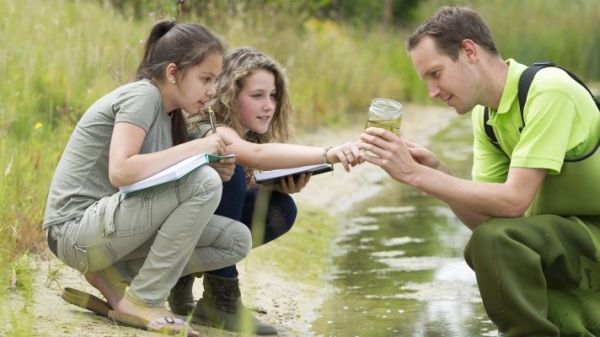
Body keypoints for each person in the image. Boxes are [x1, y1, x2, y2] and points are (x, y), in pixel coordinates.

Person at [359, 6, 600, 337]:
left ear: (469, 51)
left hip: (590, 237)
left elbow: (514, 202)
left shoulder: (549, 90)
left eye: (435, 73)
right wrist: (435, 172)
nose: (432, 92)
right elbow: (490, 225)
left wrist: (416, 176)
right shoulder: (485, 117)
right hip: (565, 240)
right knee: (491, 239)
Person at [43, 21, 253, 336]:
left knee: (236, 239)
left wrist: (206, 164)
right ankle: (144, 299)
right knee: (204, 184)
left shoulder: (170, 115)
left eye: (215, 80)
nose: (212, 90)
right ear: (172, 72)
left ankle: (113, 279)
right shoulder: (143, 96)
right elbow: (122, 170)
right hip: (74, 231)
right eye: (205, 79)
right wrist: (197, 150)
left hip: (109, 229)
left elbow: (153, 184)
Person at [168, 46, 363, 335]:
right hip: (165, 234)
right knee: (230, 171)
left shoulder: (242, 132)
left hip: (193, 229)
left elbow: (235, 189)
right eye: (257, 96)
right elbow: (255, 156)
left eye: (273, 96)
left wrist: (273, 184)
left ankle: (189, 279)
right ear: (230, 97)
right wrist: (329, 153)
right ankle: (221, 299)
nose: (269, 105)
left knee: (280, 208)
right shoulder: (213, 129)